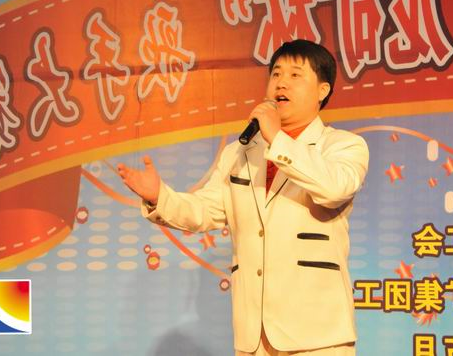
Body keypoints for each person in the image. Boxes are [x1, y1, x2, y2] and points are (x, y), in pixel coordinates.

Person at [118, 40, 369, 355]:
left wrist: (276, 137)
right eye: (276, 74)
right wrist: (160, 197)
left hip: (318, 334)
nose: (281, 83)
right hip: (253, 336)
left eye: (295, 75)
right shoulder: (239, 152)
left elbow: (334, 189)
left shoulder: (343, 146)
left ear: (322, 90)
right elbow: (206, 210)